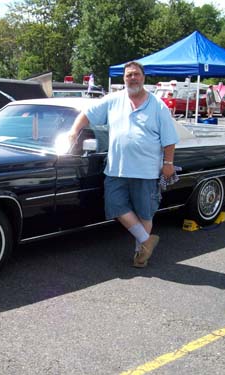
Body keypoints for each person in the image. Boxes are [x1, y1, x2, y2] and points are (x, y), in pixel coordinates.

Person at [68, 61, 179, 268]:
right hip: (117, 169)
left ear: (143, 77)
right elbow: (87, 114)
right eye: (129, 75)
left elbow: (169, 139)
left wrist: (169, 163)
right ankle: (147, 241)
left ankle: (141, 255)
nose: (133, 78)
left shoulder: (158, 106)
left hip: (146, 171)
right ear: (124, 78)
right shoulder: (113, 100)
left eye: (136, 74)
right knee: (115, 205)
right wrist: (74, 132)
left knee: (145, 213)